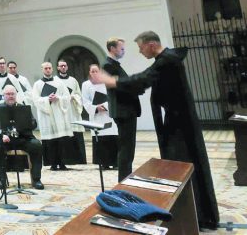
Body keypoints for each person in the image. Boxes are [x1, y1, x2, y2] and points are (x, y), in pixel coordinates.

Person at [95, 31, 219, 230]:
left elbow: (144, 78)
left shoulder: (166, 61)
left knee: (183, 167)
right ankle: (197, 213)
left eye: (141, 47)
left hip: (180, 125)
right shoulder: (166, 59)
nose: (139, 51)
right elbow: (145, 80)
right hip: (177, 121)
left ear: (151, 45)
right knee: (180, 166)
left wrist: (112, 81)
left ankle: (198, 215)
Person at [102, 37, 145, 182]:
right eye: (122, 48)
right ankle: (124, 179)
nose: (123, 51)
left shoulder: (114, 65)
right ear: (112, 48)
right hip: (123, 111)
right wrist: (135, 88)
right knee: (126, 148)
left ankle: (126, 177)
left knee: (128, 147)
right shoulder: (108, 65)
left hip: (126, 110)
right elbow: (117, 87)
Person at [0, 86, 44, 190]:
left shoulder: (23, 107)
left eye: (12, 94)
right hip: (5, 139)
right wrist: (2, 135)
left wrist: (26, 123)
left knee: (37, 145)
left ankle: (36, 179)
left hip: (23, 138)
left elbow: (33, 124)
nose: (10, 96)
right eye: (8, 94)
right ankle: (2, 179)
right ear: (3, 96)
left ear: (16, 95)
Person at [32, 62, 73, 171]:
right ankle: (53, 164)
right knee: (50, 141)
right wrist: (46, 99)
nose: (48, 70)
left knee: (61, 140)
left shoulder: (59, 83)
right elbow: (35, 100)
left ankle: (63, 163)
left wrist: (58, 98)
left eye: (49, 68)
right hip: (47, 115)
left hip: (59, 113)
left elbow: (67, 97)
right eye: (46, 68)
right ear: (42, 69)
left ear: (52, 69)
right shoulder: (37, 84)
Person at [81, 64, 118, 170]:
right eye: (92, 71)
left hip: (108, 114)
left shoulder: (106, 83)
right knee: (100, 138)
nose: (94, 73)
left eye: (96, 71)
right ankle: (103, 163)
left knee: (112, 136)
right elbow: (85, 100)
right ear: (89, 72)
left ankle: (115, 162)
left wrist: (105, 106)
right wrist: (96, 108)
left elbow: (112, 96)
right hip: (96, 115)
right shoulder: (86, 84)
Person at [56, 60, 86, 165]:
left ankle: (79, 159)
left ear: (67, 67)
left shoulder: (73, 80)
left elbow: (79, 94)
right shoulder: (55, 81)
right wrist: (63, 98)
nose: (63, 67)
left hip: (73, 110)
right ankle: (66, 159)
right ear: (58, 68)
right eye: (61, 66)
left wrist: (74, 97)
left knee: (76, 134)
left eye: (65, 65)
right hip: (62, 111)